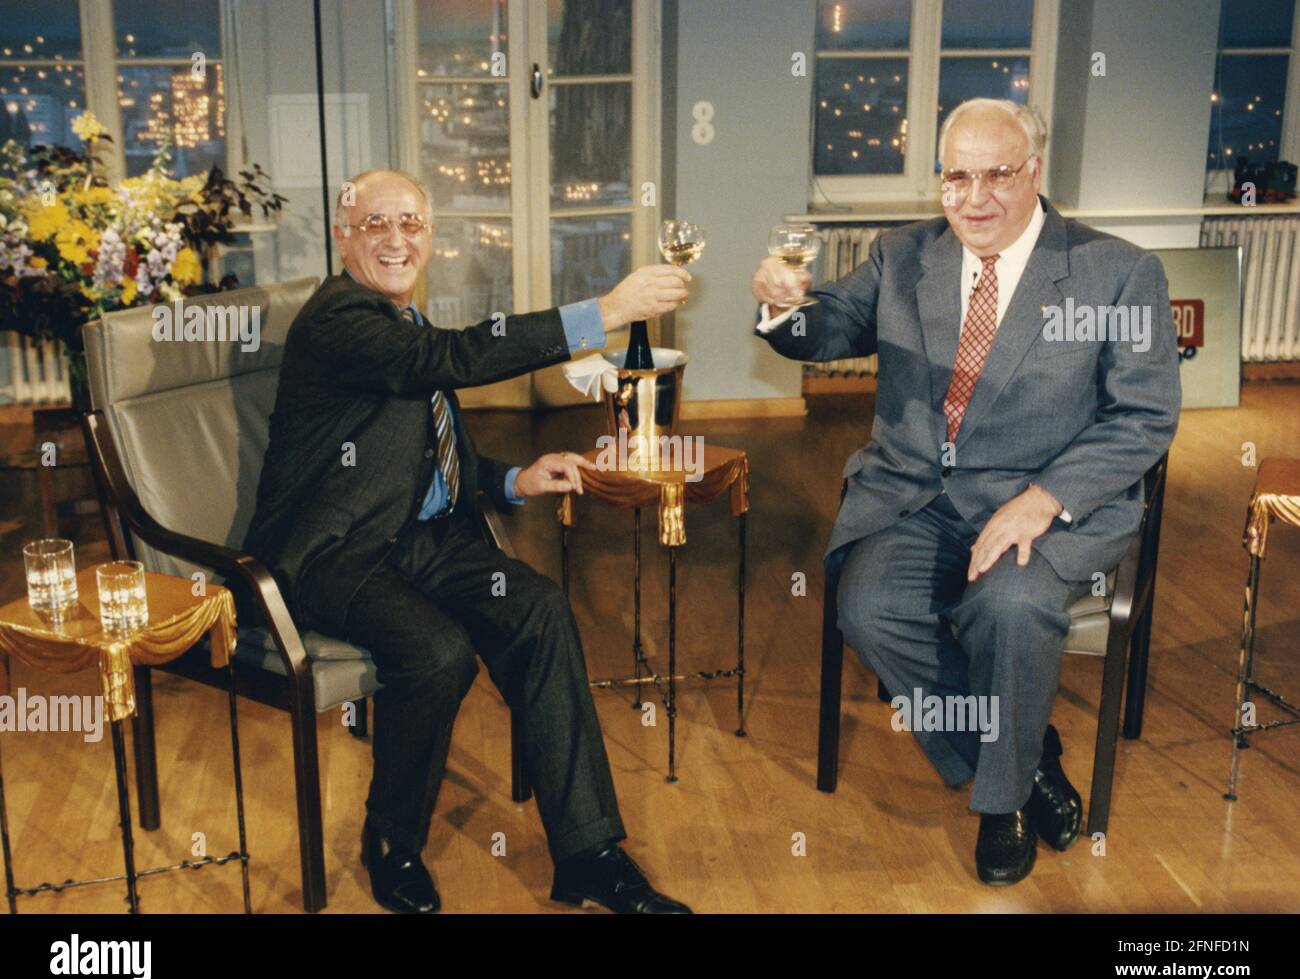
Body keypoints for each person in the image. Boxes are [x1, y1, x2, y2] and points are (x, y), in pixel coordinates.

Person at [750, 99, 1181, 885]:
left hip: (1041, 506)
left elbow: (1145, 416)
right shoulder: (905, 256)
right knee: (868, 608)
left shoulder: (1116, 271)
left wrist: (1045, 497)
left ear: (1036, 172)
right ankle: (1021, 751)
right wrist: (782, 308)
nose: (974, 199)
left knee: (1008, 606)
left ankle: (1002, 801)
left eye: (997, 176)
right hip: (917, 497)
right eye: (956, 177)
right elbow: (827, 328)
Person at [245, 167, 693, 913]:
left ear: (429, 237)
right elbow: (447, 362)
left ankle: (588, 852)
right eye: (376, 224)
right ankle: (390, 841)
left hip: (425, 541)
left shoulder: (400, 323)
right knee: (436, 652)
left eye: (411, 224)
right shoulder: (340, 320)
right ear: (342, 236)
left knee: (541, 609)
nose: (396, 240)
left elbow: (417, 445)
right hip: (335, 552)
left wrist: (513, 479)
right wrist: (605, 311)